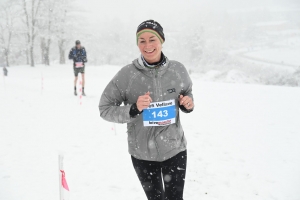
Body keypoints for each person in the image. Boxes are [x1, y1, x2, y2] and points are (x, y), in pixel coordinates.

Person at [99, 20, 194, 200]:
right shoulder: (127, 75)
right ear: (137, 44)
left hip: (175, 148)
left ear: (162, 41)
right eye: (142, 41)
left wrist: (187, 103)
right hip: (142, 153)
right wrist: (133, 109)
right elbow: (104, 109)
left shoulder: (177, 70)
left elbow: (187, 92)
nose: (148, 45)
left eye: (152, 39)